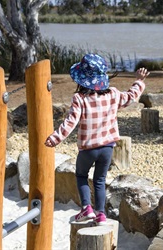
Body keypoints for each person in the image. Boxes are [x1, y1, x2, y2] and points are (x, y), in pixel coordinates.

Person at [44, 53, 150, 225]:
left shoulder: (80, 98)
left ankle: (86, 209)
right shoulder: (113, 94)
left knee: (81, 175)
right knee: (100, 180)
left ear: (82, 79)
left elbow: (71, 121)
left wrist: (56, 138)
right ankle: (101, 214)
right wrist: (139, 80)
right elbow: (131, 96)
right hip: (108, 147)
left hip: (88, 149)